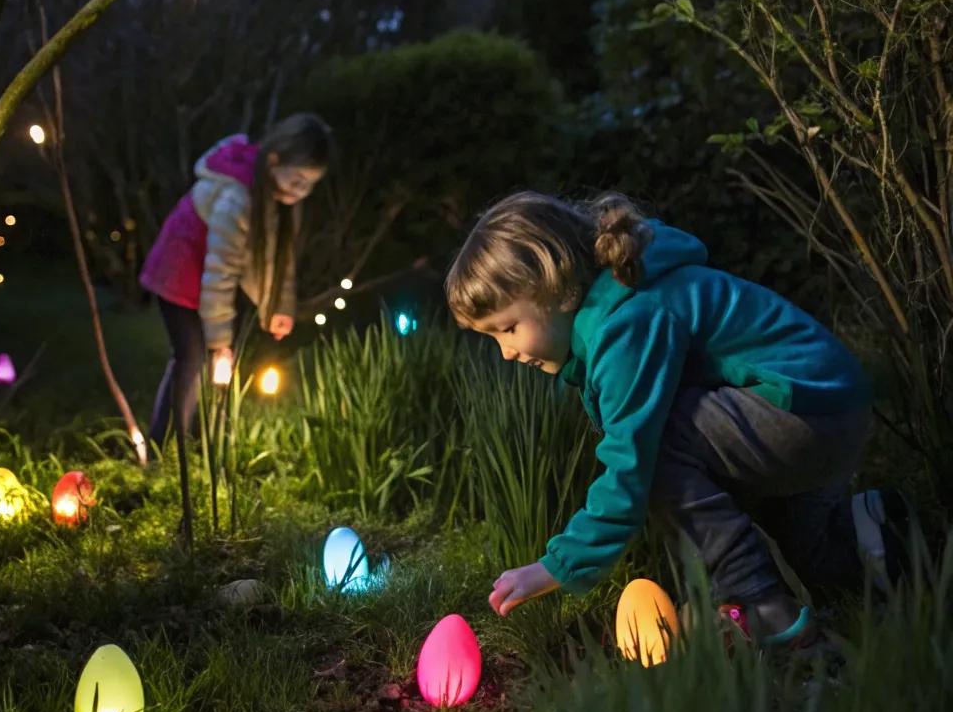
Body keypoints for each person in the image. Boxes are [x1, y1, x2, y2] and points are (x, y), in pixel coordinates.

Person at [445, 190, 907, 646]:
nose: (506, 351)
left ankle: (760, 605)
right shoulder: (624, 298)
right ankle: (872, 537)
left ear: (558, 286)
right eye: (492, 337)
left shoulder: (627, 320)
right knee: (814, 553)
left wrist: (557, 566)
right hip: (821, 406)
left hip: (802, 409)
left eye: (509, 328)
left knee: (658, 439)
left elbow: (629, 463)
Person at [140, 113, 333, 454]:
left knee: (204, 357)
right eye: (299, 178)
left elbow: (274, 260)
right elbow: (222, 271)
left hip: (208, 275)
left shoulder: (277, 199)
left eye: (311, 183)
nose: (303, 190)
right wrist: (220, 342)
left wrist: (277, 308)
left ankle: (196, 441)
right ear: (274, 160)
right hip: (179, 271)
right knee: (191, 355)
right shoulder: (237, 199)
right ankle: (164, 448)